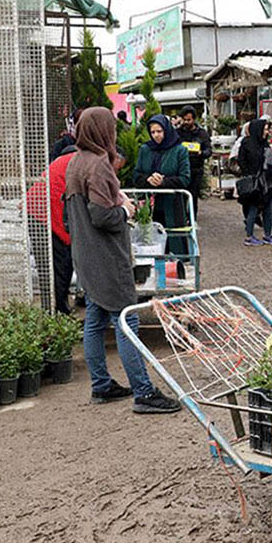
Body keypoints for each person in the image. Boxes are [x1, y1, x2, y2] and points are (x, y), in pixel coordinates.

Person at [63, 107, 180, 414]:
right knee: (126, 320)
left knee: (95, 320)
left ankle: (101, 385)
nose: (114, 132)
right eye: (110, 127)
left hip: (85, 256)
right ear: (102, 131)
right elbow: (102, 216)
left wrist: (117, 201)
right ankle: (144, 393)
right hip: (106, 258)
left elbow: (81, 211)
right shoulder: (100, 164)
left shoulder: (76, 162)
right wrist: (126, 211)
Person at [26, 146, 76, 313]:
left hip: (40, 211)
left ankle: (55, 307)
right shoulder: (83, 162)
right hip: (43, 214)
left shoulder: (70, 160)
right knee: (59, 263)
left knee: (53, 264)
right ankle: (56, 310)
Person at [134, 114, 191, 257]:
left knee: (174, 241)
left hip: (172, 204)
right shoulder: (145, 149)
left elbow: (185, 178)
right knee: (150, 241)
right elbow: (136, 175)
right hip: (150, 205)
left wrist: (164, 182)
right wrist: (148, 179)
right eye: (153, 132)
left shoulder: (179, 150)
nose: (156, 136)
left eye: (159, 131)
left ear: (166, 130)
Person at [237, 118, 272, 246]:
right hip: (254, 182)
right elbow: (241, 160)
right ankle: (249, 237)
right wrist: (250, 174)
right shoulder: (247, 143)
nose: (267, 132)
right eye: (265, 129)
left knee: (269, 209)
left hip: (268, 182)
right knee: (253, 209)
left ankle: (267, 235)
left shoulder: (265, 143)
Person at [177, 105, 212, 220]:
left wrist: (201, 153)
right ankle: (181, 219)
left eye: (189, 120)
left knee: (193, 196)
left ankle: (192, 219)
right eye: (184, 119)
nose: (186, 122)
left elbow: (209, 150)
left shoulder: (202, 134)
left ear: (194, 119)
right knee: (180, 196)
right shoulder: (177, 133)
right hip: (180, 169)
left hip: (196, 169)